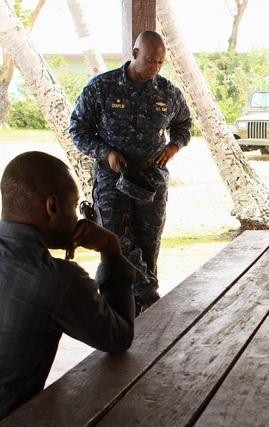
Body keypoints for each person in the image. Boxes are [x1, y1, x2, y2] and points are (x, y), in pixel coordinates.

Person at [0, 151, 135, 420]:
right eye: (74, 207)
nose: (77, 217)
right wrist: (110, 249)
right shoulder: (55, 279)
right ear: (52, 207)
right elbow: (118, 337)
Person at [70, 30, 192, 315]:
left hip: (151, 180)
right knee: (114, 238)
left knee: (149, 245)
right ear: (135, 53)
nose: (155, 68)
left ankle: (143, 309)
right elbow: (78, 129)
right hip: (114, 179)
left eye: (160, 63)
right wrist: (106, 152)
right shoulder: (102, 87)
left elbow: (184, 125)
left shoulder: (168, 92)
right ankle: (140, 296)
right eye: (150, 60)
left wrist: (174, 146)